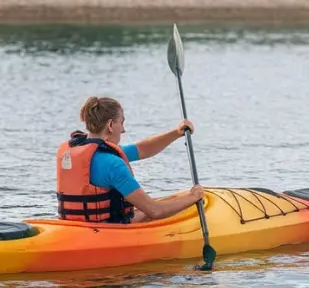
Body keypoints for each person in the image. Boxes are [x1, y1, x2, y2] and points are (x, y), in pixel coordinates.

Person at [55, 96, 205, 223]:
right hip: (107, 231)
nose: (124, 129)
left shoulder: (76, 151)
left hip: (73, 226)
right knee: (152, 209)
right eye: (122, 122)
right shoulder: (113, 165)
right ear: (111, 125)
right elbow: (155, 210)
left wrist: (176, 133)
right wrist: (193, 197)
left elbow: (142, 149)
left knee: (144, 207)